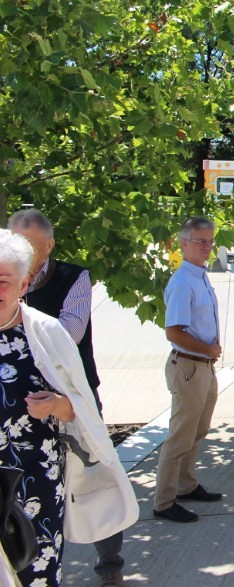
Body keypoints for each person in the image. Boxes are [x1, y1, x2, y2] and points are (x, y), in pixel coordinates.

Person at [0, 230, 136, 587]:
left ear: (23, 285)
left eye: (3, 281)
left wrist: (59, 406)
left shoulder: (47, 333)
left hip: (35, 480)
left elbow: (81, 408)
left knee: (36, 572)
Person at [153, 216, 224, 524]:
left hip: (204, 366)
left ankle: (186, 485)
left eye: (210, 241)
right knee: (180, 437)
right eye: (200, 241)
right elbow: (174, 332)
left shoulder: (200, 276)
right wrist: (207, 349)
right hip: (189, 366)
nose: (207, 247)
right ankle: (164, 501)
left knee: (198, 431)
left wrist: (210, 351)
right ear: (183, 244)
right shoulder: (183, 282)